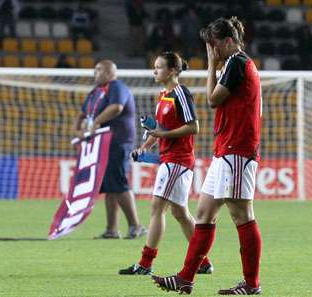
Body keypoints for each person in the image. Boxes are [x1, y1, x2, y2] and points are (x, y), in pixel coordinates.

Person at [152, 17, 263, 295]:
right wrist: (214, 63)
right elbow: (214, 97)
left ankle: (251, 284)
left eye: (213, 46)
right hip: (225, 150)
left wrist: (212, 64)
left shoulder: (237, 62)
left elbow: (212, 99)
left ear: (227, 41)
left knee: (242, 215)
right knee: (203, 213)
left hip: (237, 149)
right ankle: (186, 277)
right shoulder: (234, 63)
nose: (212, 51)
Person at [118, 52, 214, 276]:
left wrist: (163, 134)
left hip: (178, 161)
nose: (155, 71)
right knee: (180, 213)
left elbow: (194, 127)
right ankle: (203, 262)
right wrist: (145, 147)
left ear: (171, 71)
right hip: (170, 160)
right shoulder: (164, 95)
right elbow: (160, 129)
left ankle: (145, 264)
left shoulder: (181, 93)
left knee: (157, 208)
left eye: (159, 67)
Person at [74, 60, 147, 239]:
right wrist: (78, 130)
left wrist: (96, 122)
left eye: (98, 70)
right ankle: (112, 229)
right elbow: (82, 114)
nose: (95, 73)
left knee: (119, 182)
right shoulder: (95, 92)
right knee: (110, 186)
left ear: (109, 72)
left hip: (118, 141)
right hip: (102, 143)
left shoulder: (117, 87)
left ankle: (136, 226)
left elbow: (116, 108)